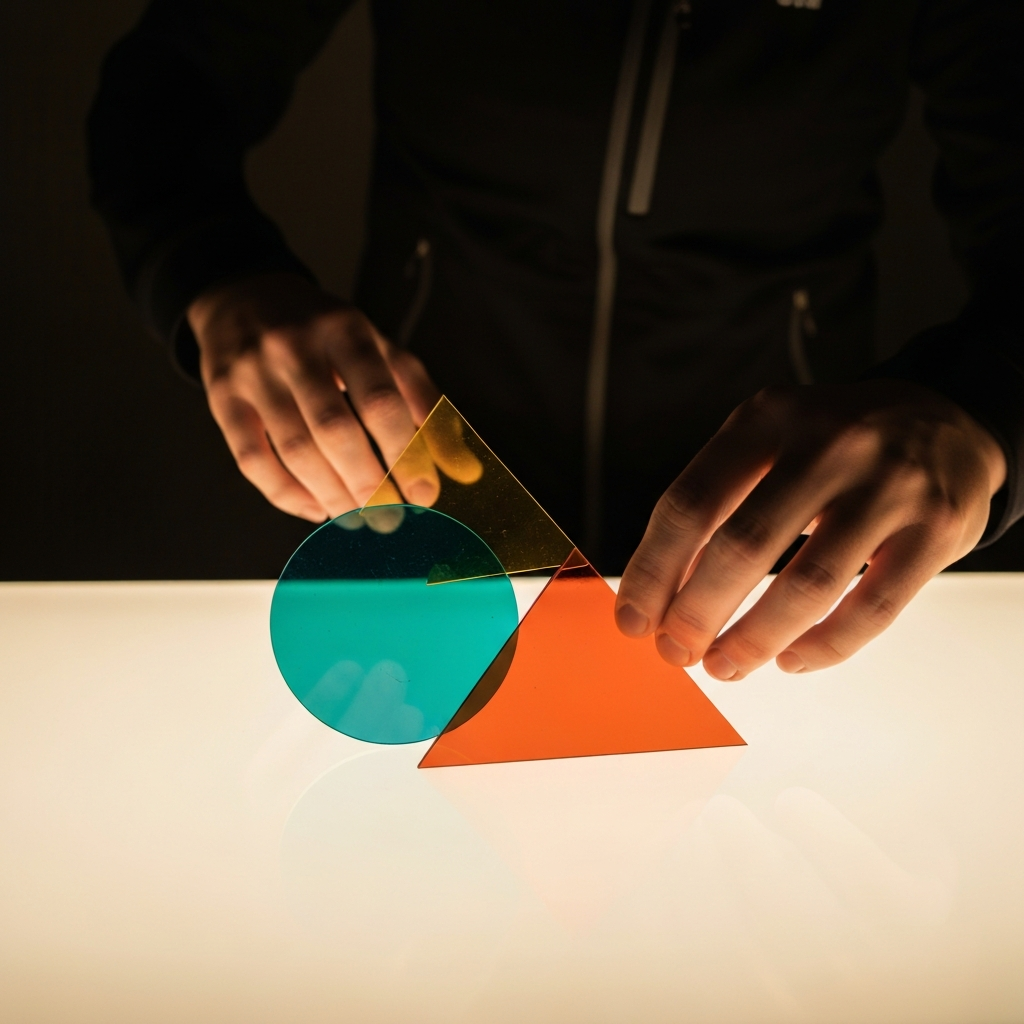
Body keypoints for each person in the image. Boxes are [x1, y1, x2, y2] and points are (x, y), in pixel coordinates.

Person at [88, 0, 1021, 681]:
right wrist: (215, 276)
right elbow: (167, 86)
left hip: (776, 555)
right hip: (418, 507)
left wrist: (985, 414)